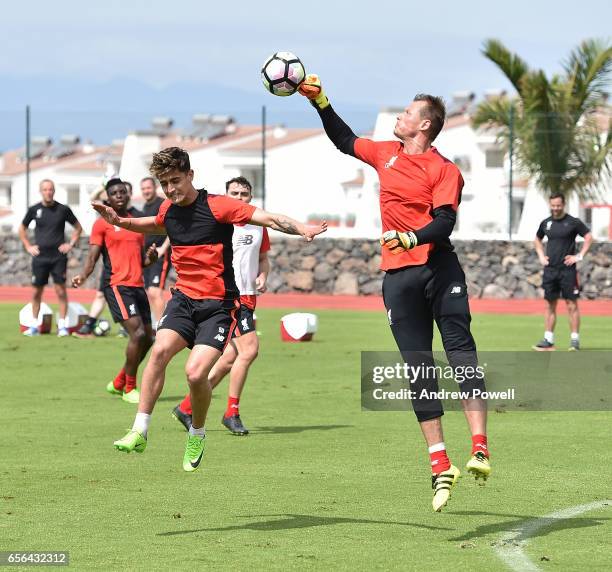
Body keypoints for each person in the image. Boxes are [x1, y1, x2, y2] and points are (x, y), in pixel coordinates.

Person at [299, 75, 490, 512]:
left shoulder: (445, 170)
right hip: (398, 278)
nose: (399, 117)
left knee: (461, 354)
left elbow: (444, 222)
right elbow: (344, 139)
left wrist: (411, 237)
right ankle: (440, 464)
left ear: (424, 126)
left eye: (406, 113)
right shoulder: (385, 154)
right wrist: (321, 101)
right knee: (418, 367)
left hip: (439, 269)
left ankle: (480, 447)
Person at [93, 147, 326, 472]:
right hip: (184, 300)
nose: (171, 189)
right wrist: (120, 221)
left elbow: (268, 218)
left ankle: (197, 432)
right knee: (159, 351)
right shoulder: (168, 210)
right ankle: (139, 429)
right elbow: (155, 224)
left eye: (176, 180)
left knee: (195, 373)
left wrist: (301, 227)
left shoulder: (218, 205)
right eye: (164, 183)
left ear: (190, 175)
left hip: (218, 307)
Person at [172, 176, 271, 435]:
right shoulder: (219, 222)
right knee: (249, 351)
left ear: (251, 197)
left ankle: (185, 407)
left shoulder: (258, 225)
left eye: (244, 194)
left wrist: (263, 275)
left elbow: (263, 258)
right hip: (229, 296)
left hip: (249, 295)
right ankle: (232, 412)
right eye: (234, 193)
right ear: (225, 196)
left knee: (228, 358)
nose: (239, 198)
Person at [72, 178, 156, 403]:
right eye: (114, 193)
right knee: (137, 334)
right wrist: (83, 275)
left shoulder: (136, 221)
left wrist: (149, 259)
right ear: (108, 198)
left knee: (149, 338)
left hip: (138, 286)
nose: (119, 195)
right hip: (117, 286)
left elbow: (139, 259)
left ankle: (119, 381)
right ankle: (129, 389)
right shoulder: (101, 224)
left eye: (122, 192)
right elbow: (92, 257)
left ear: (128, 194)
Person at [19, 179, 83, 336]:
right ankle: (34, 326)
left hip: (58, 258)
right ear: (41, 191)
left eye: (51, 189)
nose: (48, 192)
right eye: (45, 189)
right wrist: (28, 246)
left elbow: (78, 228)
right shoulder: (34, 209)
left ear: (54, 191)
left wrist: (71, 244)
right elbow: (22, 228)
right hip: (40, 258)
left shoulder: (63, 209)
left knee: (61, 291)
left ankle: (62, 326)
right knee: (36, 293)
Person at [533, 193, 592, 351]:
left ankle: (574, 341)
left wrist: (579, 256)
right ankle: (548, 339)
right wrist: (541, 256)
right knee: (550, 305)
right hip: (550, 270)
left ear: (563, 204)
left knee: (571, 305)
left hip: (568, 271)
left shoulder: (573, 222)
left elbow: (588, 237)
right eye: (553, 205)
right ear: (550, 204)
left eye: (558, 205)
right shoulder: (546, 223)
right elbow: (537, 239)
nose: (556, 208)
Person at [139, 176, 172, 327]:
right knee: (149, 292)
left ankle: (161, 327)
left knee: (155, 291)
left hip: (160, 255)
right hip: (148, 256)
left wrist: (164, 248)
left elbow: (173, 228)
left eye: (148, 188)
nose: (146, 191)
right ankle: (156, 324)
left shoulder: (163, 204)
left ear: (154, 188)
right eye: (143, 188)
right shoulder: (145, 208)